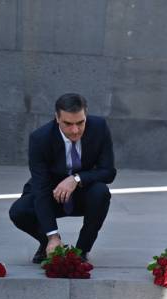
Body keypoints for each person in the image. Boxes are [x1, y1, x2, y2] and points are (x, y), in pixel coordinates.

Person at [9, 93, 116, 263]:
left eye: (80, 122)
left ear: (86, 115)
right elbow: (41, 188)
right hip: (51, 193)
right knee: (19, 211)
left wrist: (76, 179)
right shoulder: (40, 139)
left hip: (83, 193)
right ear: (57, 118)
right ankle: (49, 244)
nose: (75, 130)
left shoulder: (99, 127)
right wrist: (52, 235)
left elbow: (109, 172)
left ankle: (81, 252)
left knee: (101, 192)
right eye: (68, 124)